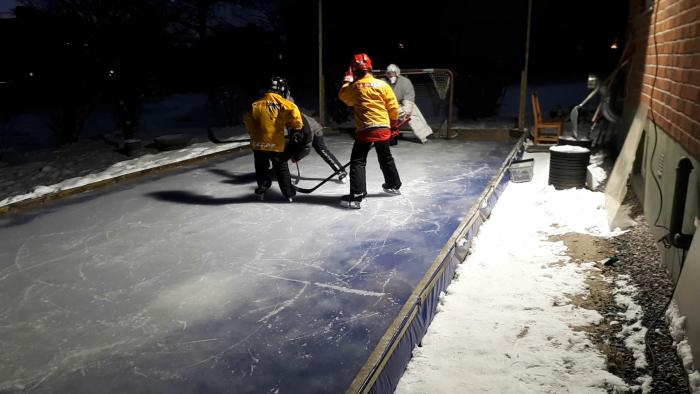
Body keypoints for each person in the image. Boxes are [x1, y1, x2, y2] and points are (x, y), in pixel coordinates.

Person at [338, 53, 402, 209]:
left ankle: (357, 196)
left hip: (365, 129)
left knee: (358, 161)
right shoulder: (382, 85)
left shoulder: (354, 87)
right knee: (385, 156)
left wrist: (347, 81)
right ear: (371, 68)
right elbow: (393, 108)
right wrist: (393, 125)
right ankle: (394, 185)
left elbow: (344, 98)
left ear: (354, 70)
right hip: (383, 127)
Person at [244, 77, 305, 202]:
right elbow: (294, 110)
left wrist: (252, 133)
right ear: (281, 89)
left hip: (258, 144)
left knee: (261, 167)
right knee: (281, 167)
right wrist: (297, 128)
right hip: (274, 143)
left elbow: (247, 118)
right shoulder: (280, 101)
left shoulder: (256, 104)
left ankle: (262, 186)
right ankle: (288, 193)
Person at [384, 64, 433, 144]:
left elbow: (409, 100)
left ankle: (424, 134)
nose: (391, 75)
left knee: (412, 109)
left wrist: (405, 110)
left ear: (397, 73)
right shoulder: (382, 82)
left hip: (398, 104)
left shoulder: (405, 82)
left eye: (393, 73)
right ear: (386, 73)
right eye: (389, 73)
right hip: (385, 106)